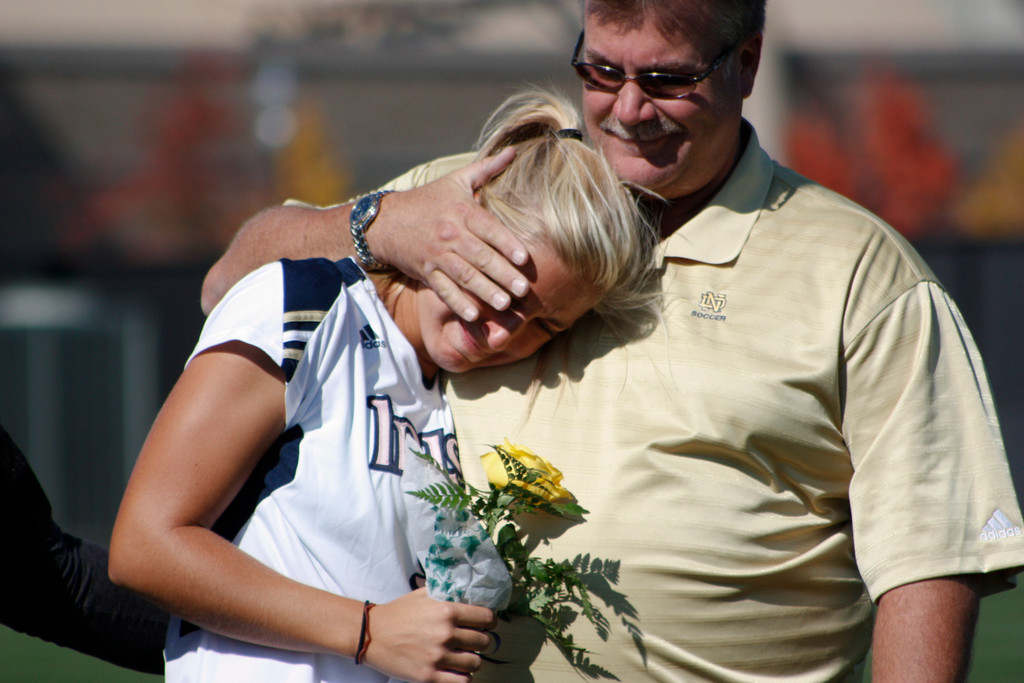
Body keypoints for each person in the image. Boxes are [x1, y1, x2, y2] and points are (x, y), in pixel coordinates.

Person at [200, 1, 1024, 682]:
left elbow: (928, 558)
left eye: (667, 79)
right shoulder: (476, 192)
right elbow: (226, 286)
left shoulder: (862, 274)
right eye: (601, 71)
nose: (628, 109)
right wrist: (375, 223)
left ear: (746, 63)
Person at [107, 88, 660, 683]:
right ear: (458, 227)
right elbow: (145, 548)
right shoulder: (309, 307)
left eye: (544, 324)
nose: (503, 332)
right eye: (498, 285)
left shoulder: (454, 401)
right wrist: (366, 631)